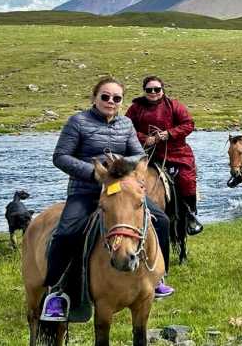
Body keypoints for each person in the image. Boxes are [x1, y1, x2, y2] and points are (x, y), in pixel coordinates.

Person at [42, 78, 174, 321]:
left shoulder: (126, 124)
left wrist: (125, 165)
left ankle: (157, 277)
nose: (110, 102)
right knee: (66, 232)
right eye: (105, 97)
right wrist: (94, 172)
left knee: (162, 221)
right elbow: (60, 157)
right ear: (95, 98)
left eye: (116, 98)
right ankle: (56, 292)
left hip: (120, 192)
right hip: (86, 190)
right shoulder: (78, 122)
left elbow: (138, 154)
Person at [125, 76, 202, 236]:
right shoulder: (135, 108)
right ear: (144, 91)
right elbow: (126, 128)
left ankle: (189, 215)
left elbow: (188, 124)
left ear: (162, 90)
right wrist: (146, 138)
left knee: (185, 180)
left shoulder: (174, 105)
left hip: (175, 152)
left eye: (156, 89)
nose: (153, 92)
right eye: (149, 90)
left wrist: (170, 133)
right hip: (146, 153)